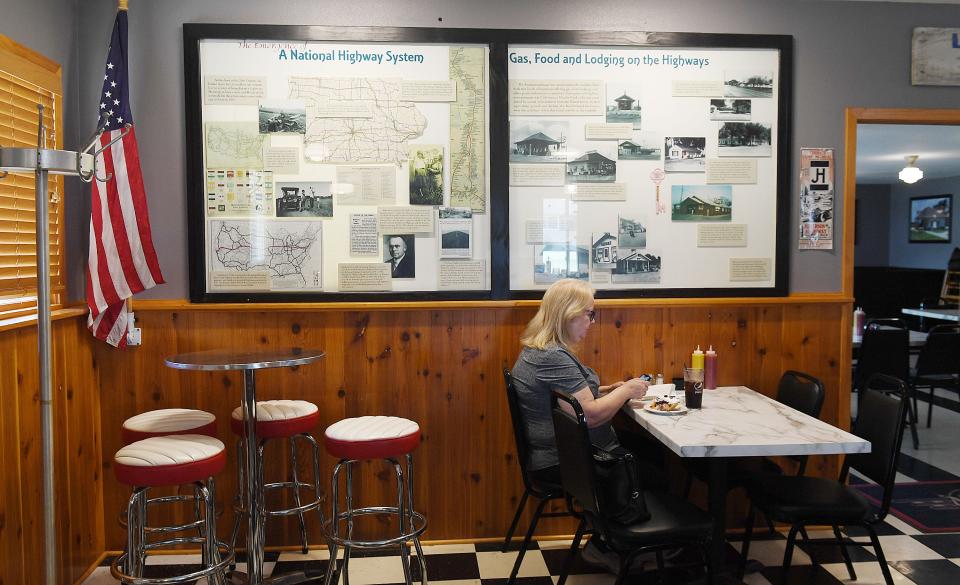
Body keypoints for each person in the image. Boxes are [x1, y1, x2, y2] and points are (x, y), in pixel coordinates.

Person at [510, 278, 649, 487]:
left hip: (566, 451)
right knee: (654, 471)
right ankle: (623, 518)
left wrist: (607, 391)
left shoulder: (541, 350)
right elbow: (589, 415)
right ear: (570, 315)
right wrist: (628, 389)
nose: (593, 321)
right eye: (590, 314)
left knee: (648, 450)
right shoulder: (551, 356)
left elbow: (563, 396)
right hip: (566, 460)